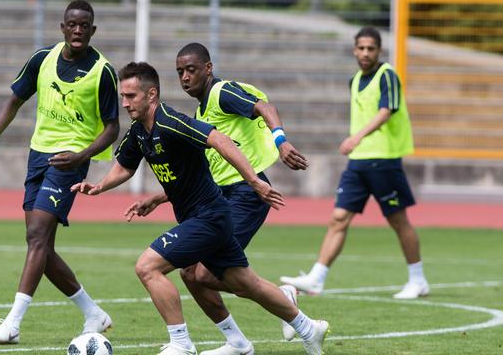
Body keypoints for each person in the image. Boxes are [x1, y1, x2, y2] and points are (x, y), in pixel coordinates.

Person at [72, 61, 329, 355]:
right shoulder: (139, 132)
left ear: (151, 94)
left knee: (148, 267)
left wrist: (255, 181)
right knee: (236, 282)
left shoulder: (171, 121)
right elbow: (125, 166)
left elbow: (219, 139)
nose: (125, 103)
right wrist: (100, 186)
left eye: (131, 96)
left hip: (210, 217)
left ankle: (181, 344)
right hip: (204, 217)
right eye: (123, 96)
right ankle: (301, 330)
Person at [125, 42, 309, 355]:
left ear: (208, 69)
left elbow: (265, 107)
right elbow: (206, 171)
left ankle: (276, 303)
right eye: (180, 72)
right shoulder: (201, 111)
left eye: (191, 70)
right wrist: (160, 197)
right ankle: (239, 341)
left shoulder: (221, 93)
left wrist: (281, 141)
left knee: (203, 273)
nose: (184, 77)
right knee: (192, 273)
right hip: (222, 195)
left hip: (245, 193)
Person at [0, 0, 119, 344]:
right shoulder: (43, 59)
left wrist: (82, 155)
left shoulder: (103, 71)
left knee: (37, 237)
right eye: (73, 25)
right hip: (38, 156)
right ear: (63, 28)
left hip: (70, 162)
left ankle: (13, 323)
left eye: (85, 26)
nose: (78, 31)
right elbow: (14, 100)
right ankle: (93, 314)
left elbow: (113, 128)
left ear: (93, 30)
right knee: (41, 246)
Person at [280, 26, 429, 300]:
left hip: (384, 160)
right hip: (358, 163)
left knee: (398, 220)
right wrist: (356, 144)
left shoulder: (388, 76)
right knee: (338, 218)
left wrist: (356, 137)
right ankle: (317, 278)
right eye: (361, 48)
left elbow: (386, 111)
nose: (365, 53)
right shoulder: (356, 79)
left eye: (370, 48)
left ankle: (418, 280)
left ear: (379, 51)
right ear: (354, 49)